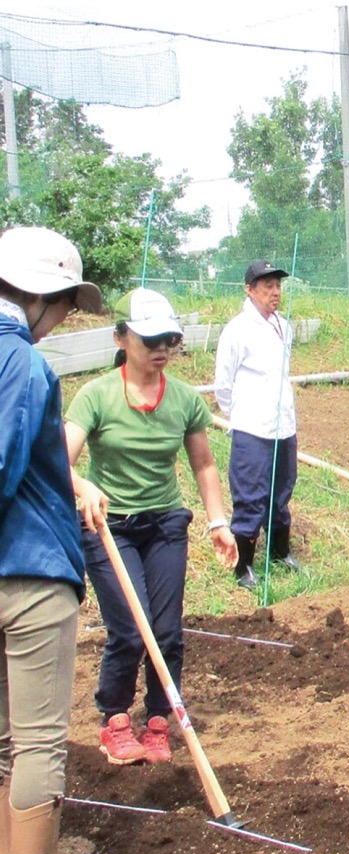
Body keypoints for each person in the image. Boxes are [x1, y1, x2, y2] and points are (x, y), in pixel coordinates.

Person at [66, 288, 238, 767]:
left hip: (164, 524)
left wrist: (217, 522)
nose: (162, 349)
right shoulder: (97, 395)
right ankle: (115, 717)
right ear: (121, 338)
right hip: (109, 526)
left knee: (165, 628)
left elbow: (203, 464)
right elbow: (58, 460)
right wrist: (83, 487)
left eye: (170, 339)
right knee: (130, 627)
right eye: (150, 339)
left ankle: (160, 717)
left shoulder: (183, 399)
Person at [0, 226, 101, 854]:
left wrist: (69, 481)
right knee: (34, 737)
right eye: (64, 302)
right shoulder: (21, 363)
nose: (64, 317)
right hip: (28, 574)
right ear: (39, 296)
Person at [214, 260, 301, 590]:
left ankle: (280, 553)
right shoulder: (237, 330)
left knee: (281, 491)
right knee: (251, 495)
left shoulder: (283, 326)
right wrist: (241, 414)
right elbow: (223, 383)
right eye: (267, 286)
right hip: (252, 427)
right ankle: (244, 566)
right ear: (249, 290)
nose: (275, 292)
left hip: (283, 425)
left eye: (278, 286)